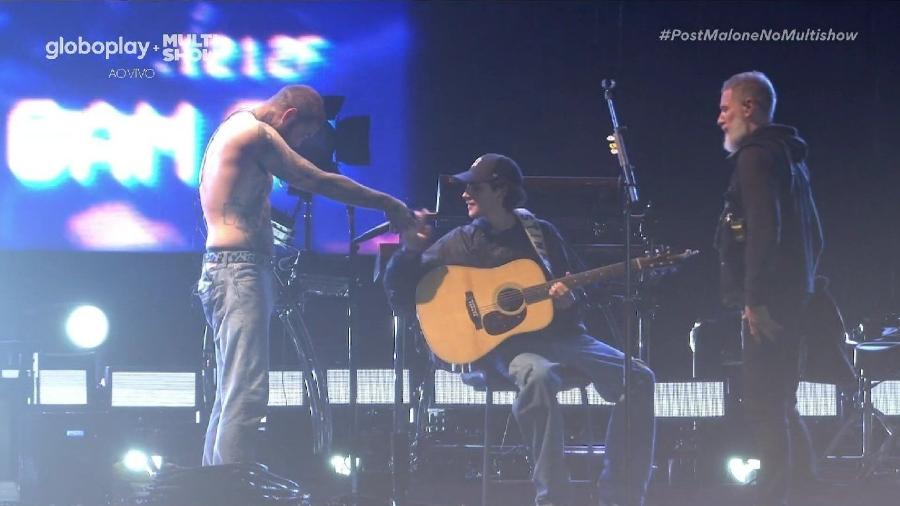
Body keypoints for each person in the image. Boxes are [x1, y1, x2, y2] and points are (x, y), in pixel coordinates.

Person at [384, 154, 655, 506]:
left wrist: (569, 300)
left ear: (500, 190)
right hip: (506, 349)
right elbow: (400, 293)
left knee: (639, 377)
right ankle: (554, 498)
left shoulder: (540, 233)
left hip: (564, 336)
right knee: (539, 377)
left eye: (475, 187)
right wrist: (409, 252)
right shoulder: (460, 242)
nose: (465, 193)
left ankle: (621, 496)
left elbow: (582, 286)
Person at [197, 85, 413, 466]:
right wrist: (388, 203)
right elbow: (318, 180)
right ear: (289, 117)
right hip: (238, 270)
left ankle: (214, 487)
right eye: (303, 137)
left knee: (230, 393)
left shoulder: (232, 127)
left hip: (229, 268)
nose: (300, 146)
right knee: (246, 395)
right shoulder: (255, 133)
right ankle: (229, 492)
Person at [714, 71, 824, 506]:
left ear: (748, 107)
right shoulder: (790, 156)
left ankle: (775, 497)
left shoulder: (756, 156)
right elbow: (816, 232)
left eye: (725, 108)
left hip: (770, 300)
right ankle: (806, 490)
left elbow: (764, 228)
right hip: (792, 295)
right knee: (779, 399)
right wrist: (806, 286)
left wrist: (753, 299)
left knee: (763, 402)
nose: (719, 119)